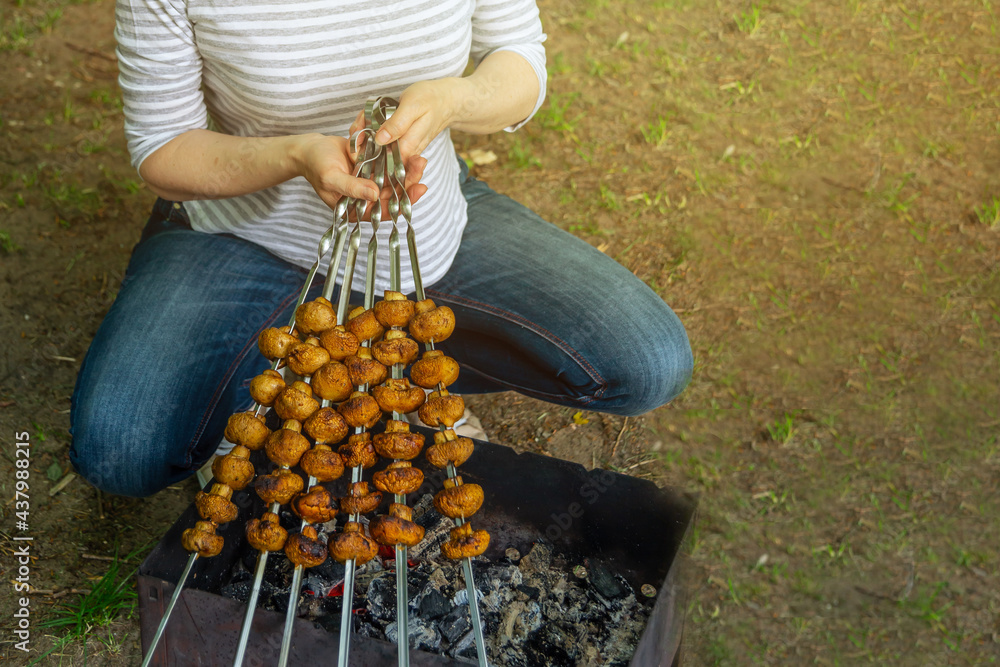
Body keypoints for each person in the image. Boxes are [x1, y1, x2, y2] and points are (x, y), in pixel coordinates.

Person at [70, 0, 693, 497]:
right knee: (121, 452)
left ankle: (369, 378)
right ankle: (309, 379)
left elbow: (518, 62)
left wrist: (455, 99)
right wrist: (294, 154)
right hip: (246, 230)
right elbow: (163, 146)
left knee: (647, 361)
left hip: (421, 221)